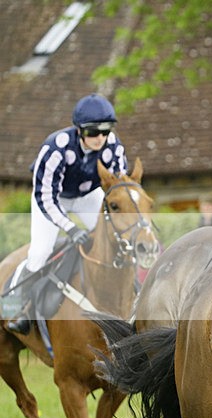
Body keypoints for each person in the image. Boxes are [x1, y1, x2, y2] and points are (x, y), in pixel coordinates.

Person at [6, 93, 128, 335]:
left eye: (105, 131)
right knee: (40, 252)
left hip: (87, 196)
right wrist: (70, 228)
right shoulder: (56, 147)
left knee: (115, 238)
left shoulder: (113, 146)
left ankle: (129, 292)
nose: (100, 138)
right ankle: (19, 307)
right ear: (79, 130)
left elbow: (119, 187)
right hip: (53, 197)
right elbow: (45, 196)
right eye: (93, 132)